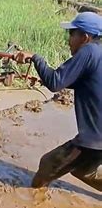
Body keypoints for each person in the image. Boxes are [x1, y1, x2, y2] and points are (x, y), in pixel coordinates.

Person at [14, 11, 102, 192]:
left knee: (48, 165)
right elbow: (86, 83)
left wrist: (35, 58)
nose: (68, 39)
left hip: (95, 139)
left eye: (72, 34)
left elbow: (55, 83)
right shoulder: (98, 52)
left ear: (85, 37)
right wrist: (41, 77)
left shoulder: (89, 50)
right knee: (83, 171)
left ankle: (33, 202)